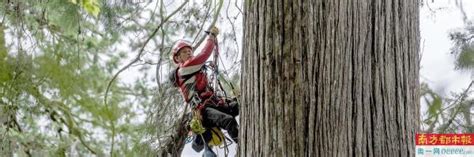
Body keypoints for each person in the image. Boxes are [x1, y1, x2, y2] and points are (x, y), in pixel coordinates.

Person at [169, 27, 239, 149]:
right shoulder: (183, 70)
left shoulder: (195, 70)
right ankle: (246, 147)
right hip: (203, 110)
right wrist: (211, 36)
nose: (189, 52)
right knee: (228, 121)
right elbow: (204, 54)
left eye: (189, 50)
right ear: (178, 58)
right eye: (184, 52)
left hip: (213, 103)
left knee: (239, 105)